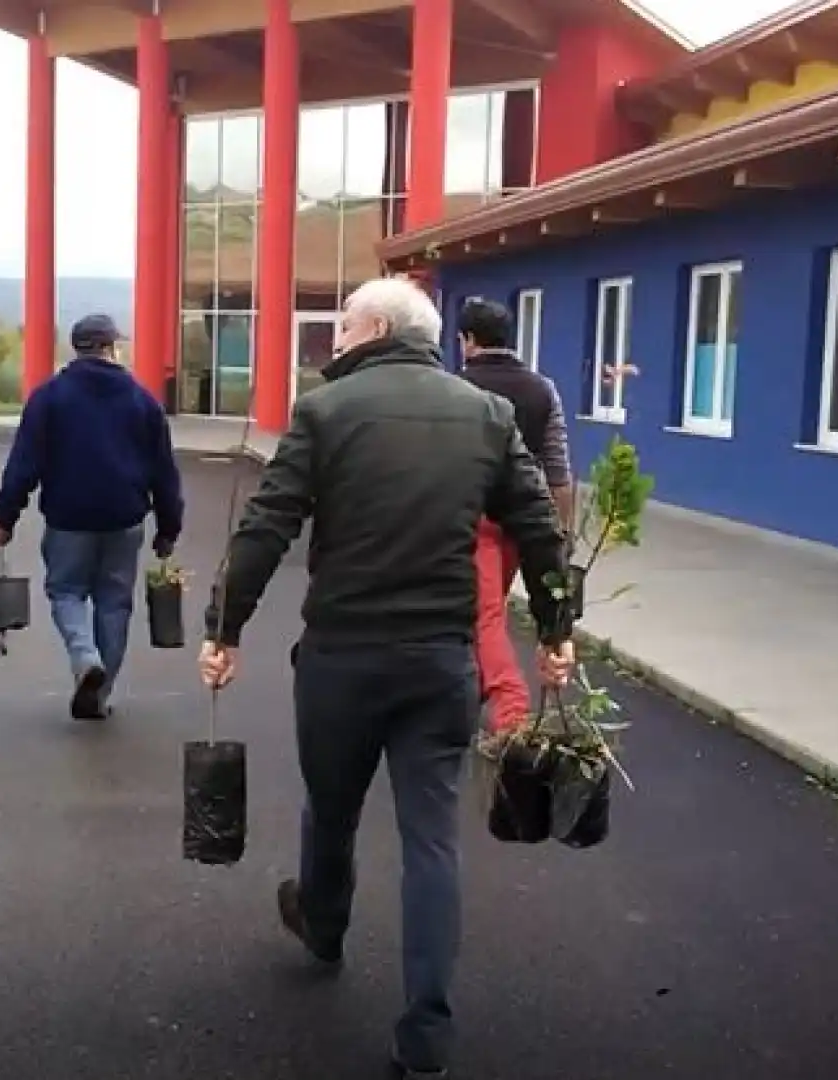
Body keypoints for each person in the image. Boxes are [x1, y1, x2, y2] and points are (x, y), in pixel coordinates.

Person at [197, 278, 576, 1079]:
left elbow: (268, 523)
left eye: (341, 326)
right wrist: (555, 630)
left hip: (342, 658)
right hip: (440, 662)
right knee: (431, 841)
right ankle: (427, 1032)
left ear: (374, 327)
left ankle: (325, 927)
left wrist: (225, 629)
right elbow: (539, 526)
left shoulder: (326, 412)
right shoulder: (488, 415)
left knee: (330, 811)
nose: (334, 339)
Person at [0, 313, 183, 721]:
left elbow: (23, 464)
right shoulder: (143, 402)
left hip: (68, 518)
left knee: (66, 591)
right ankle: (99, 693)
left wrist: (5, 518)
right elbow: (164, 471)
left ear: (76, 348)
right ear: (112, 347)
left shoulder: (49, 397)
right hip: (124, 518)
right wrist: (168, 528)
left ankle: (84, 657)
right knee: (114, 604)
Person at [453, 297, 576, 736]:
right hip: (530, 518)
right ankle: (479, 693)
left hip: (479, 519)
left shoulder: (455, 388)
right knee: (493, 612)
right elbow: (558, 468)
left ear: (467, 340)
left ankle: (511, 717)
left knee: (483, 616)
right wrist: (561, 533)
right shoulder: (543, 389)